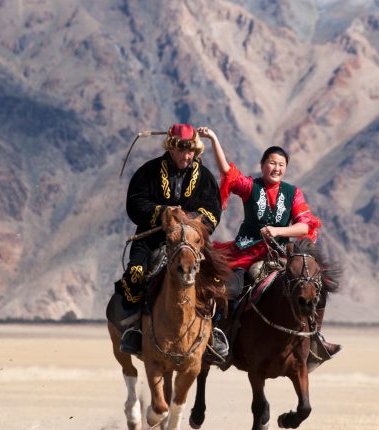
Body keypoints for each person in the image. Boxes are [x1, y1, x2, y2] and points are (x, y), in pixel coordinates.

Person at [198, 126, 341, 357]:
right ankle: (217, 335)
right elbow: (226, 170)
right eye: (272, 163)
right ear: (263, 165)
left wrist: (278, 231)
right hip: (245, 252)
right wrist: (214, 138)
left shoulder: (292, 193)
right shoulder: (250, 187)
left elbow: (305, 225)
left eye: (281, 165)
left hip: (280, 255)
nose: (276, 168)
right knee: (230, 289)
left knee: (316, 285)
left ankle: (315, 336)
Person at [114, 123, 223, 356]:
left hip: (192, 243)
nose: (187, 155)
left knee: (215, 278)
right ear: (171, 148)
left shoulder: (204, 177)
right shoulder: (148, 172)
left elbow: (214, 211)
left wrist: (190, 219)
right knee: (136, 273)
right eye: (183, 150)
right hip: (152, 237)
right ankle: (134, 330)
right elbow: (135, 204)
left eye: (191, 150)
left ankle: (215, 334)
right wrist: (164, 212)